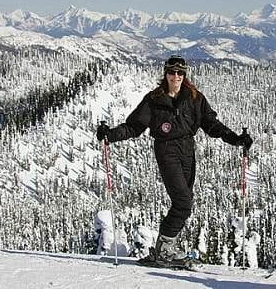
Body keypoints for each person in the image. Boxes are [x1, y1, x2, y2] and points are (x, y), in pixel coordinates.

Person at [96, 55, 253, 264]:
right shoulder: (154, 100)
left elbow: (211, 124)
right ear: (166, 73)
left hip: (187, 149)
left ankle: (165, 247)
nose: (176, 76)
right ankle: (164, 249)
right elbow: (134, 126)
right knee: (183, 202)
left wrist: (235, 139)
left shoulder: (195, 98)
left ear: (184, 74)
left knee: (184, 201)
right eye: (172, 72)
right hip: (166, 150)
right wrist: (111, 134)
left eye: (180, 72)